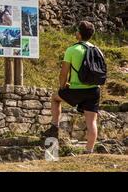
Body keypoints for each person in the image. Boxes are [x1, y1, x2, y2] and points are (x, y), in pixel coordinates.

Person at [42, 21, 101, 154]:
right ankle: (89, 151)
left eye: (76, 31)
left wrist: (63, 86)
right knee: (91, 122)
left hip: (76, 89)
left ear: (79, 34)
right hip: (94, 90)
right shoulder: (97, 49)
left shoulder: (72, 49)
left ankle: (54, 126)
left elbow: (63, 73)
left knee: (55, 98)